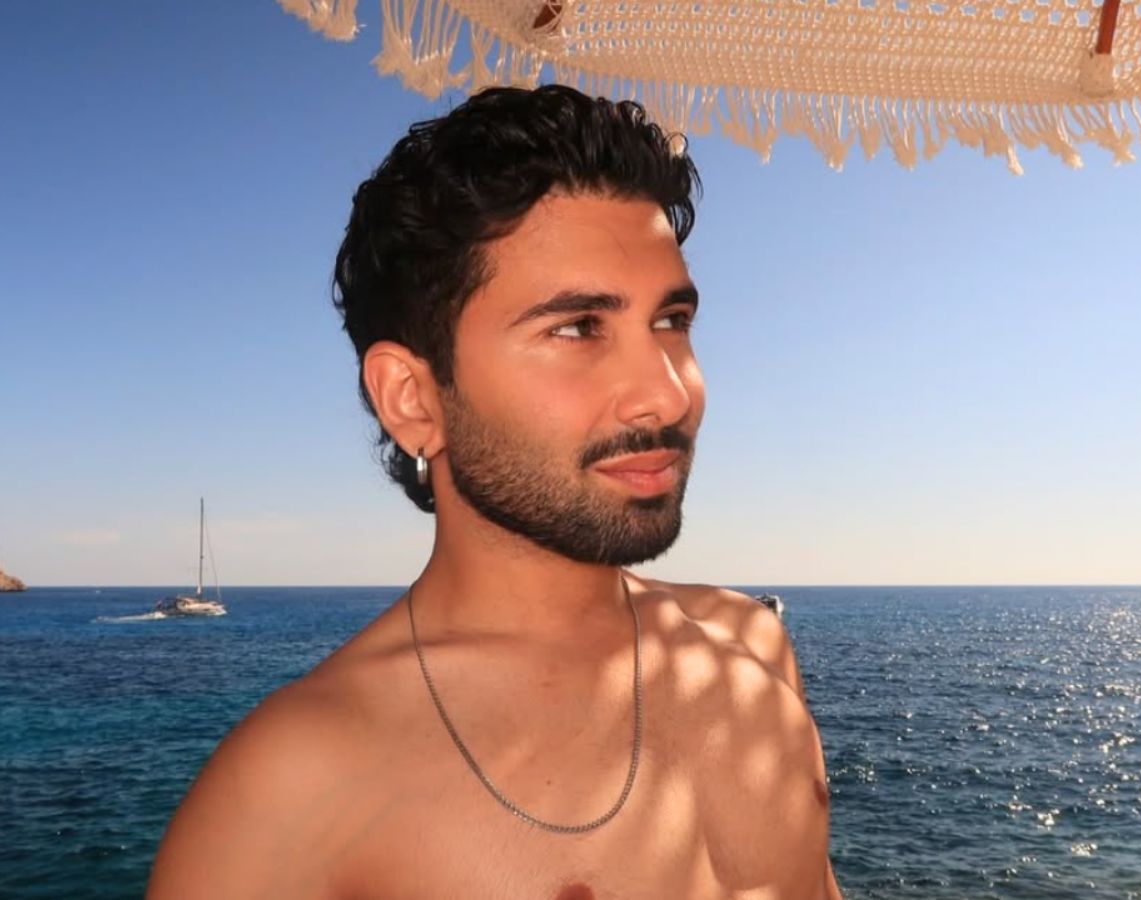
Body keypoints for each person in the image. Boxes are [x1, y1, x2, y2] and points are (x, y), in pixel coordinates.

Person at [148, 84, 840, 899]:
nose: (667, 392)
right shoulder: (290, 790)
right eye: (577, 328)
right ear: (412, 398)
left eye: (671, 322)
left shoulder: (751, 647)